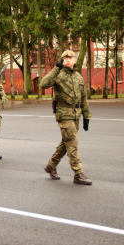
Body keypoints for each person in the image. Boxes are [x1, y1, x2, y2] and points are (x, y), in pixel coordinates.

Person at [41, 50, 92, 185]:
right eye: (65, 58)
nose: (68, 59)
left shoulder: (78, 76)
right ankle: (78, 173)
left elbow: (84, 97)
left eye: (70, 58)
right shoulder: (58, 74)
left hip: (76, 114)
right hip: (64, 114)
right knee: (72, 143)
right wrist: (56, 68)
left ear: (75, 60)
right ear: (62, 60)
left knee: (66, 142)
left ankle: (51, 165)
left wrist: (86, 115)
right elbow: (43, 84)